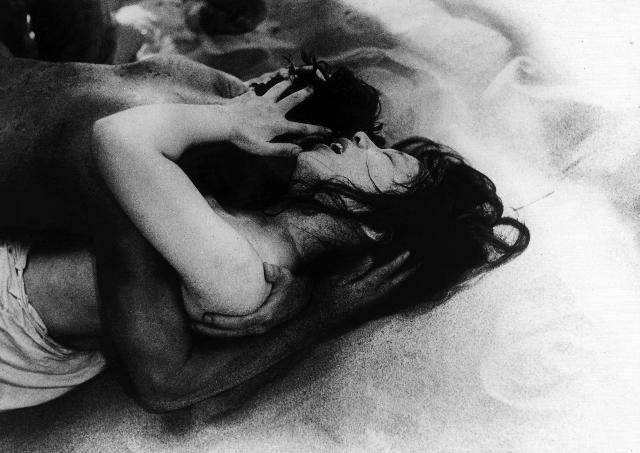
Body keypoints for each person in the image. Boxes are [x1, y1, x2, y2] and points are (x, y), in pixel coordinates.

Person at [0, 53, 528, 411]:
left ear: (372, 226)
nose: (363, 141)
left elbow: (119, 138)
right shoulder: (240, 233)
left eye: (384, 157)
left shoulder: (245, 272)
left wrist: (320, 314)